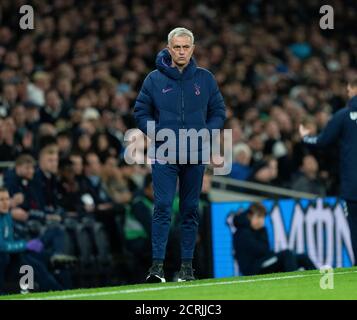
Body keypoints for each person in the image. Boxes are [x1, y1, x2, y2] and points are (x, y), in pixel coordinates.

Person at [134, 27, 226, 282]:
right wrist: (157, 132)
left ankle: (187, 268)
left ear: (193, 49)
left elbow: (219, 111)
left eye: (186, 47)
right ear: (169, 48)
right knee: (162, 207)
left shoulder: (205, 79)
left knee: (189, 209)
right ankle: (157, 268)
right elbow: (141, 112)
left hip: (195, 152)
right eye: (177, 47)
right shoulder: (153, 79)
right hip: (164, 152)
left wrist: (207, 132)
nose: (182, 51)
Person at [299, 79, 357, 265]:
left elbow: (323, 141)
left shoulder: (343, 115)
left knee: (355, 229)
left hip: (352, 186)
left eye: (349, 89)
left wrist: (305, 137)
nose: (347, 92)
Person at [0, 187, 62, 294]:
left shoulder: (7, 216)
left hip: (10, 258)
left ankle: (57, 290)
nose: (5, 203)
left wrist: (26, 245)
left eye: (7, 199)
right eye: (1, 200)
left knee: (36, 261)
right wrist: (25, 245)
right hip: (3, 259)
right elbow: (2, 246)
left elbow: (10, 241)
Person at [232, 202, 316, 276]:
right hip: (253, 269)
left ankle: (318, 279)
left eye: (262, 217)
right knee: (286, 254)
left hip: (264, 262)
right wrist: (261, 231)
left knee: (303, 258)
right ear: (250, 216)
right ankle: (293, 281)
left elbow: (264, 249)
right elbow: (261, 250)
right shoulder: (242, 233)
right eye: (258, 217)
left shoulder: (258, 230)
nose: (261, 221)